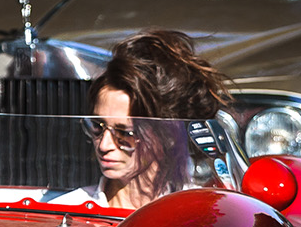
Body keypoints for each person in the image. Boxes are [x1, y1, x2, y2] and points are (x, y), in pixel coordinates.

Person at [67, 29, 233, 211]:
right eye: (98, 126)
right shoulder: (65, 210)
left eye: (124, 133)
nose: (104, 145)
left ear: (170, 134)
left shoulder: (198, 213)